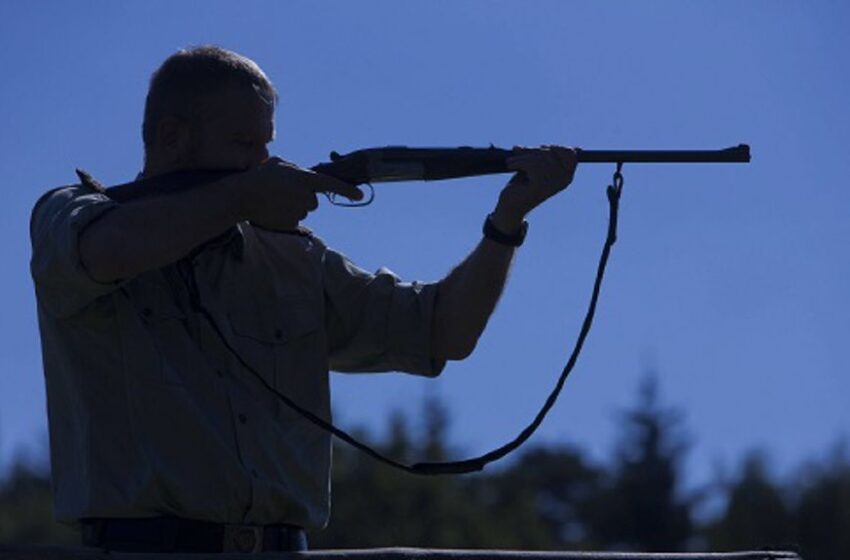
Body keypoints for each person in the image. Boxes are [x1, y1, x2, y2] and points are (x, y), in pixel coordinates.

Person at [29, 45, 577, 553]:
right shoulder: (74, 214)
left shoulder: (291, 259)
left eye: (267, 145)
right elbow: (108, 253)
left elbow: (440, 333)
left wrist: (507, 221)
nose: (266, 163)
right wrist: (246, 196)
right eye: (245, 146)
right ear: (171, 135)